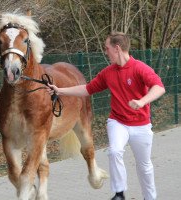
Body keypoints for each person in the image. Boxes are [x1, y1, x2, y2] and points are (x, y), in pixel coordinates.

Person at [47, 32, 165, 200]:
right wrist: (59, 90)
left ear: (117, 48)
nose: (105, 51)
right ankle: (119, 193)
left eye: (107, 48)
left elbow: (159, 87)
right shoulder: (108, 72)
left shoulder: (139, 68)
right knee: (115, 151)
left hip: (141, 125)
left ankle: (150, 197)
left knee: (144, 165)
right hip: (118, 122)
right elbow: (87, 89)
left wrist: (142, 101)